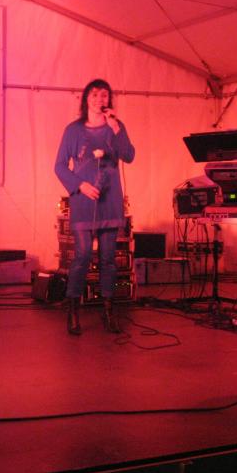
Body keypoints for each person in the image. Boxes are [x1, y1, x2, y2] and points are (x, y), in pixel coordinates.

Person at [55, 79, 135, 335]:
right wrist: (80, 185)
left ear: (109, 100)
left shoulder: (116, 127)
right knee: (82, 256)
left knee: (108, 259)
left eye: (104, 95)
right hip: (84, 199)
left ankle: (108, 310)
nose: (100, 99)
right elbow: (59, 166)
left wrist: (116, 128)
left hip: (110, 199)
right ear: (86, 99)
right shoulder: (73, 130)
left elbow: (129, 156)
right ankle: (73, 308)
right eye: (94, 94)